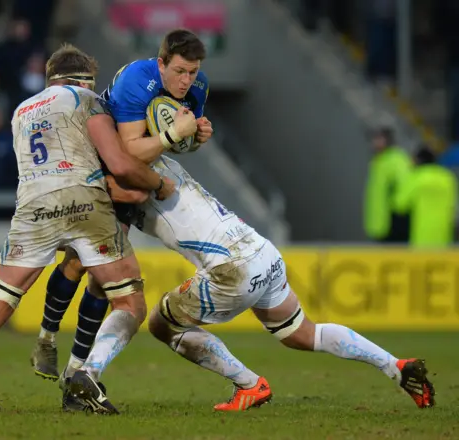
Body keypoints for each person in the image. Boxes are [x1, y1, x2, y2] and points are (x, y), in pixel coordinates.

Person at [33, 32, 436, 413]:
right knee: (302, 333)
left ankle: (231, 382)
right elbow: (141, 151)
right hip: (263, 253)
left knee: (159, 322)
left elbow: (132, 183)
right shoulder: (160, 158)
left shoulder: (134, 172)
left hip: (231, 269)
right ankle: (395, 366)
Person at [0, 43, 175, 414]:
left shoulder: (20, 111)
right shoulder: (88, 99)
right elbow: (117, 162)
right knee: (129, 302)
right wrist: (156, 182)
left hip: (31, 208)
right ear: (86, 78)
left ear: (50, 78)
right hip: (83, 199)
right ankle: (86, 373)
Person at [30, 29, 208, 411]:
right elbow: (126, 153)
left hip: (133, 181)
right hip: (100, 166)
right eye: (179, 71)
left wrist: (196, 137)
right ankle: (46, 337)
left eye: (192, 72)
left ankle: (76, 376)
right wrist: (174, 136)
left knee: (100, 279)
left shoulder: (198, 86)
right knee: (79, 262)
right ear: (161, 63)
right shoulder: (134, 82)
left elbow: (175, 140)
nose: (186, 81)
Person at [395, 146, 458, 247]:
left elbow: (400, 204)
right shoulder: (448, 177)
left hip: (421, 234)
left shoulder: (416, 177)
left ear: (418, 160)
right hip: (444, 233)